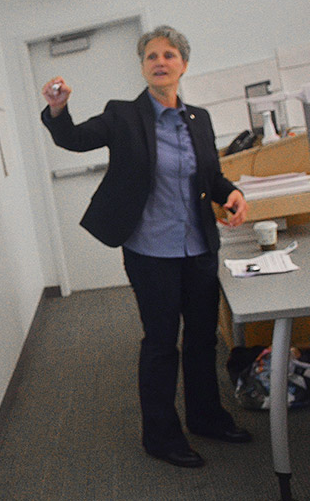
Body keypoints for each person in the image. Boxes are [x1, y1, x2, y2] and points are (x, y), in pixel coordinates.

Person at [40, 25, 251, 468]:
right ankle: (160, 435)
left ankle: (207, 417)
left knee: (201, 339)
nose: (160, 61)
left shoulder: (200, 119)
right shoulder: (122, 116)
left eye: (169, 55)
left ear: (183, 65)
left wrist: (231, 192)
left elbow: (208, 176)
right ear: (142, 67)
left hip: (197, 248)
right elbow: (74, 139)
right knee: (160, 343)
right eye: (151, 55)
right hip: (150, 252)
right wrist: (58, 109)